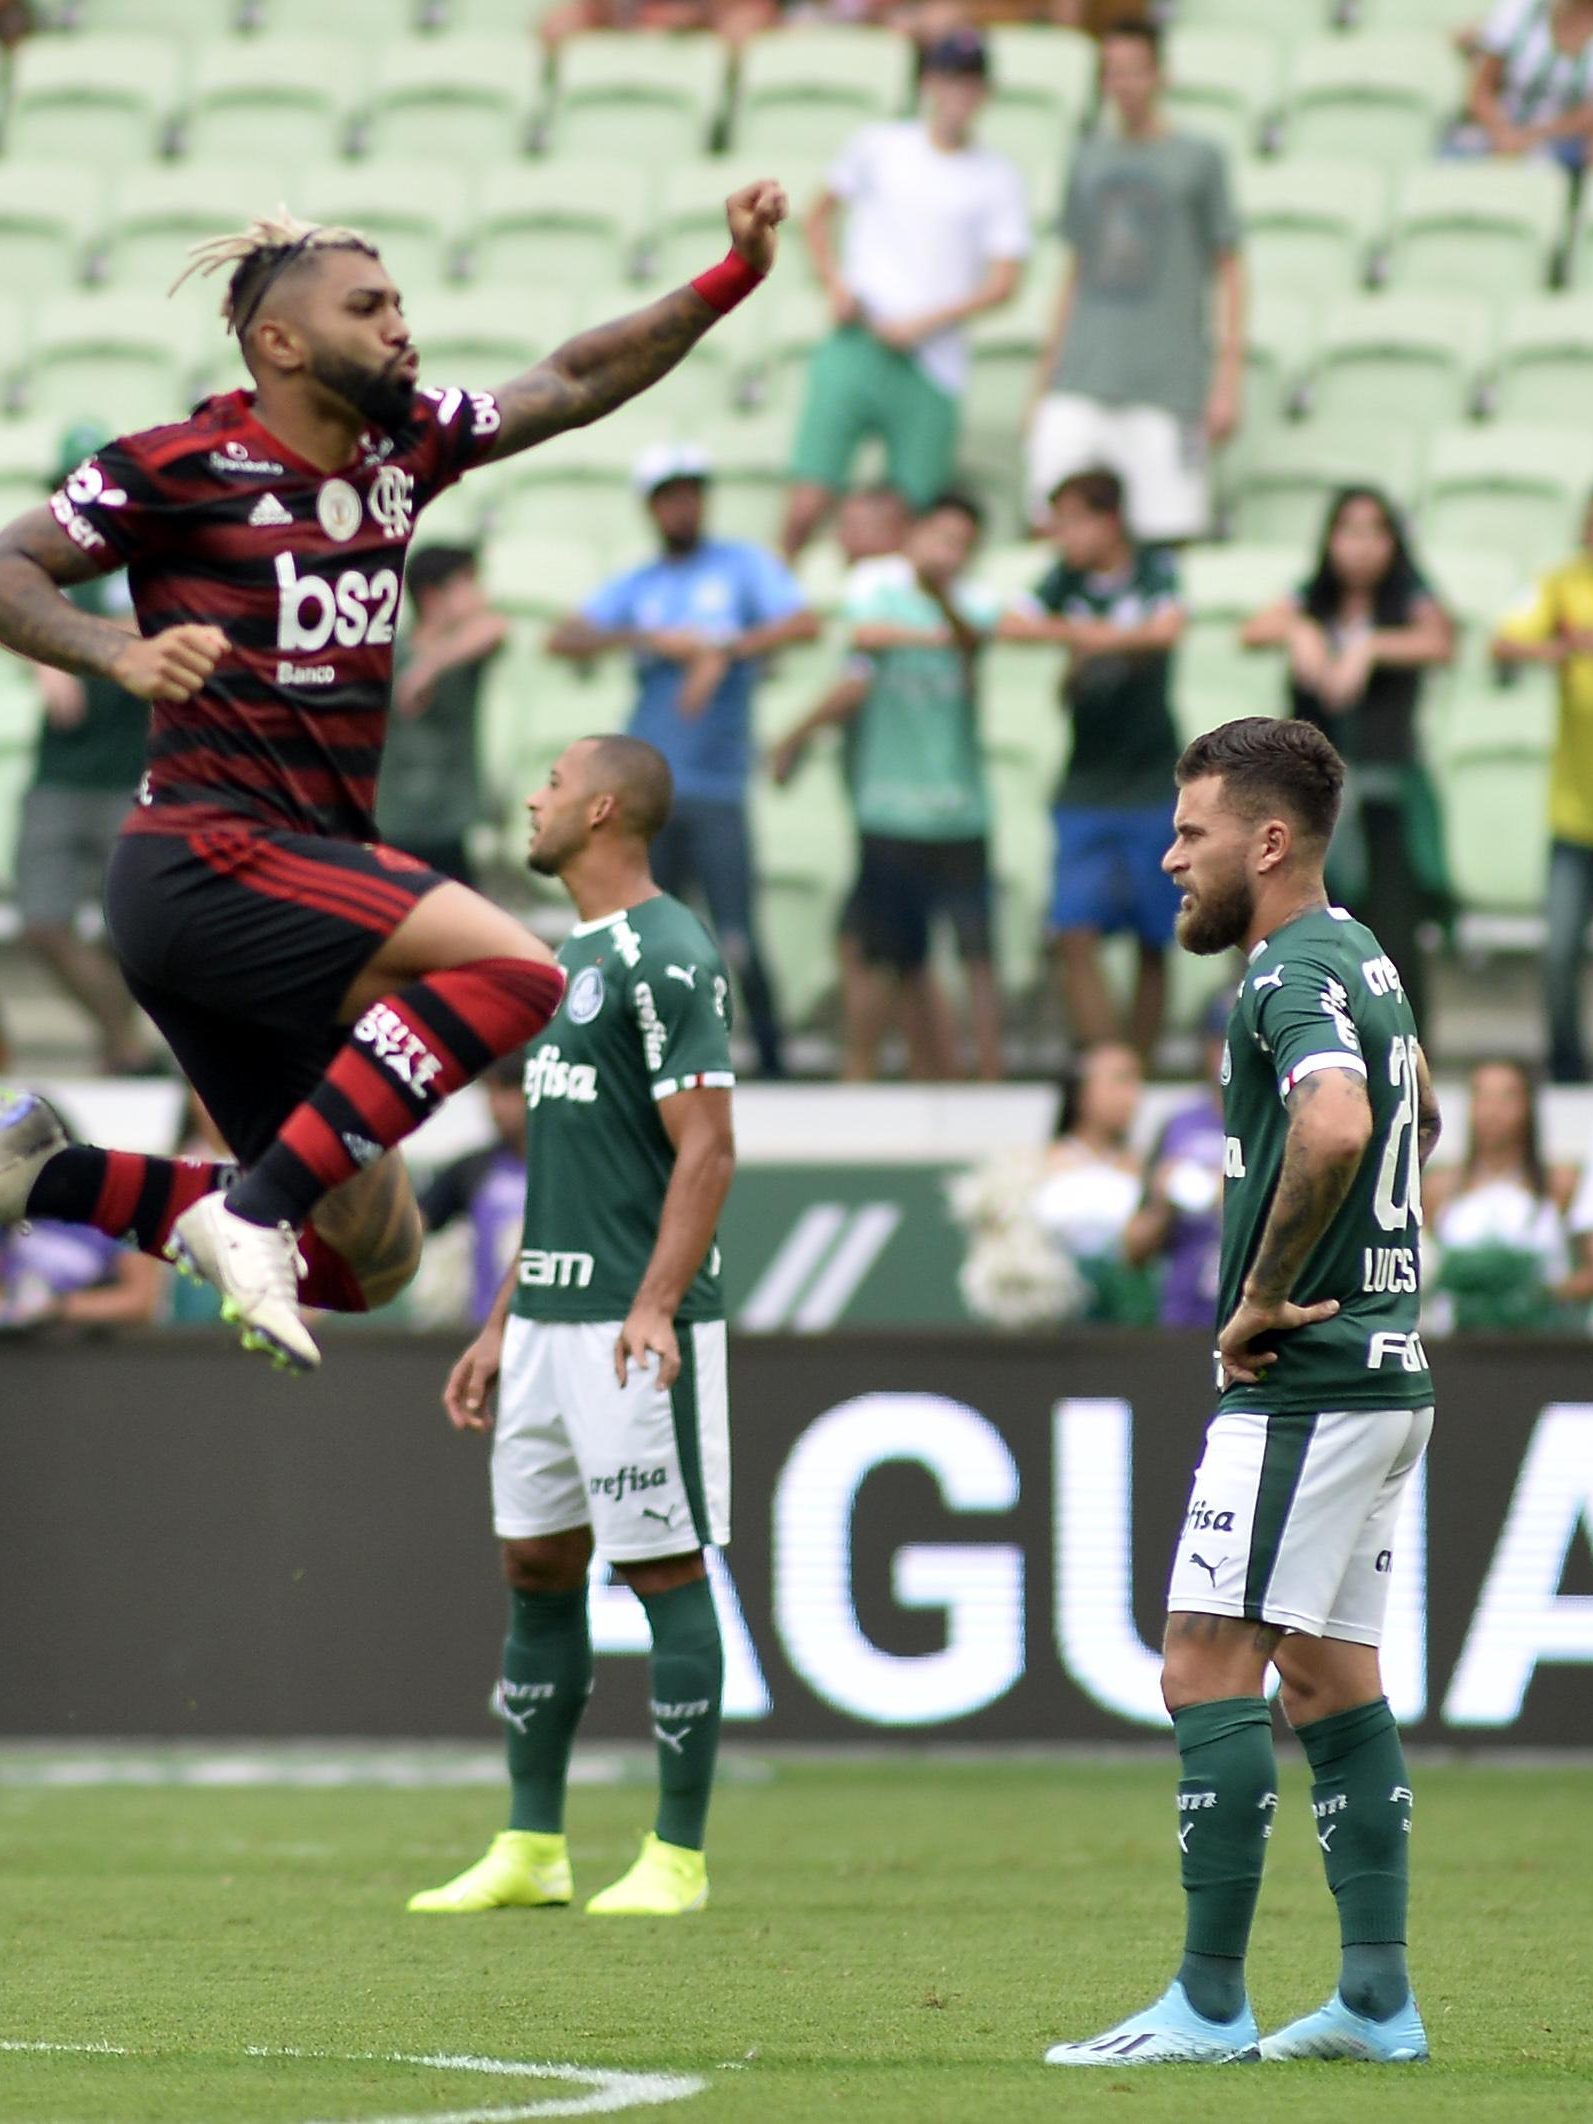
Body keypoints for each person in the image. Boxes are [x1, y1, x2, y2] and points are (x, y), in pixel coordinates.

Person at [0, 180, 787, 1372]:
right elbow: (9, 567)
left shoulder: (405, 444)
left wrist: (730, 279)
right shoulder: (177, 464)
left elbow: (569, 382)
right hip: (207, 861)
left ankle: (48, 1176)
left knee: (375, 1260)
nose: (399, 327)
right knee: (522, 972)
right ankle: (250, 1208)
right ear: (280, 343)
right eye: (367, 308)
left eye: (400, 303)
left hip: (298, 884)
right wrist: (115, 648)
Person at [1047, 716, 1439, 2070]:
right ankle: (1375, 2001)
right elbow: (1416, 1112)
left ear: (1267, 842)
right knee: (1330, 1680)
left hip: (1310, 1382)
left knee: (1203, 1663)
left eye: (1191, 833)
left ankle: (1207, 2002)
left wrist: (1262, 1292)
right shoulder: (1364, 958)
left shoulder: (1285, 974)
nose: (1167, 859)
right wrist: (1379, 1263)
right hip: (1387, 1372)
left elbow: (1337, 1121)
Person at [408, 734, 736, 1922]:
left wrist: (652, 1302)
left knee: (661, 1565)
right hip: (545, 1322)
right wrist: (501, 1320)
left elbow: (709, 1148)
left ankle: (677, 1857)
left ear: (602, 811)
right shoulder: (565, 960)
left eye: (548, 785)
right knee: (536, 1565)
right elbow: (560, 1167)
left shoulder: (671, 953)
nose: (531, 799)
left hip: (629, 1325)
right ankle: (531, 1845)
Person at [547, 441, 815, 1079]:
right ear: (652, 508)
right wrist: (646, 639)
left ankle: (772, 1063)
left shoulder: (742, 567)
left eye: (692, 493)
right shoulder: (640, 586)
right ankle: (644, 1065)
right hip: (646, 793)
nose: (683, 507)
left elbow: (803, 623)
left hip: (718, 787)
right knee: (641, 933)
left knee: (737, 935)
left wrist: (723, 648)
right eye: (670, 497)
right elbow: (562, 638)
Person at [771, 493, 1002, 1079]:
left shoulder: (971, 599)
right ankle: (920, 1073)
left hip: (952, 808)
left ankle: (941, 1078)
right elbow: (865, 652)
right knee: (892, 953)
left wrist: (792, 739)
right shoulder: (879, 590)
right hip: (890, 809)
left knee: (953, 954)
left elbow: (969, 641)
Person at [781, 30, 1029, 557]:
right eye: (950, 79)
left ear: (985, 92)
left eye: (970, 82)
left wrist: (928, 322)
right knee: (807, 501)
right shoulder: (880, 145)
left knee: (908, 518)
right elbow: (817, 215)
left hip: (932, 359)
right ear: (929, 84)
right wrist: (835, 284)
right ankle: (764, 620)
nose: (959, 93)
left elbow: (1005, 281)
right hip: (859, 337)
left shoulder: (997, 177)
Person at [1242, 488, 1454, 1040]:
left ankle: (1404, 1053)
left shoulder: (1407, 599)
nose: (1360, 547)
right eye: (1348, 532)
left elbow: (1441, 639)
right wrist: (1300, 630)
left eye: (1373, 533)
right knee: (1301, 928)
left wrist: (1371, 647)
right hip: (1312, 803)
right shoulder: (1311, 598)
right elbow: (1252, 629)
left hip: (1383, 798)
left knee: (1393, 936)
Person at [1026, 17, 1245, 544]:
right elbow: (1073, 271)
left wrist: (1227, 377)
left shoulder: (1199, 158)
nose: (1124, 85)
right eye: (1113, 73)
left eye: (1135, 72)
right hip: (1083, 371)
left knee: (1165, 533)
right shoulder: (1088, 156)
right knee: (1052, 522)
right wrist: (1044, 376)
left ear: (1161, 76)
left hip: (1166, 382)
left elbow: (1231, 268)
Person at [999, 466, 1184, 1061]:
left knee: (1156, 937)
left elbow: (1166, 631)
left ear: (1109, 521)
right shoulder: (1064, 579)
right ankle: (1110, 1066)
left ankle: (1143, 1065)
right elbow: (1011, 624)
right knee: (1073, 930)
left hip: (1154, 780)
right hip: (1086, 782)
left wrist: (1086, 642)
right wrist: (1103, 636)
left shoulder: (1156, 570)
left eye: (1072, 521)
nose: (1062, 537)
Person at [13, 423, 154, 1076]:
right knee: (43, 922)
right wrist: (56, 652)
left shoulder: (146, 560)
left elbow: (169, 631)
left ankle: (123, 1048)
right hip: (61, 774)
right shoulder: (46, 565)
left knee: (142, 933)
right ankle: (122, 1039)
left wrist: (65, 636)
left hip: (130, 773)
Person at [1492, 492, 1593, 1082]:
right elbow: (1504, 640)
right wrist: (1560, 648)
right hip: (1574, 813)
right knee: (1557, 952)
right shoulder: (1562, 585)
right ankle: (1564, 1063)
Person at [375, 544, 508, 888]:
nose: (480, 596)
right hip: (394, 819)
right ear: (433, 596)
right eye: (467, 584)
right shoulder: (388, 652)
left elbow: (494, 629)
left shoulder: (460, 655)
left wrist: (427, 669)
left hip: (449, 822)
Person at [1424, 1058, 1579, 1332]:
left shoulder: (1562, 1182)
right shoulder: (1439, 1184)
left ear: (1528, 1106)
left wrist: (1534, 1295)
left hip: (1544, 1342)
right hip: (1457, 1343)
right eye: (1482, 1096)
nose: (1493, 1110)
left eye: (1507, 1097)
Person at [1124, 989, 1230, 1330]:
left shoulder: (1285, 1122)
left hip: (1259, 1319)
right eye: (1220, 1041)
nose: (1229, 1054)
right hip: (1185, 1316)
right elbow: (1134, 1249)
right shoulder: (1178, 1126)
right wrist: (1163, 1202)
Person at [1031, 1038, 1156, 1321]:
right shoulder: (1039, 1165)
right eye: (1119, 1080)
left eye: (1136, 1082)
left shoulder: (1144, 1166)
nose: (1131, 1095)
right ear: (1081, 1090)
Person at [418, 1050, 528, 1329]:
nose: (495, 1106)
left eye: (507, 1091)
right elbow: (415, 1225)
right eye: (489, 1092)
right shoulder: (474, 1168)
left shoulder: (569, 1168)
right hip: (483, 1332)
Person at [1450, 0, 1593, 168]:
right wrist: (1503, 135)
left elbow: (1587, 116)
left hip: (1562, 142)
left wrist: (1530, 138)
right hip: (1494, 129)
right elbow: (1481, 88)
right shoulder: (1519, 9)